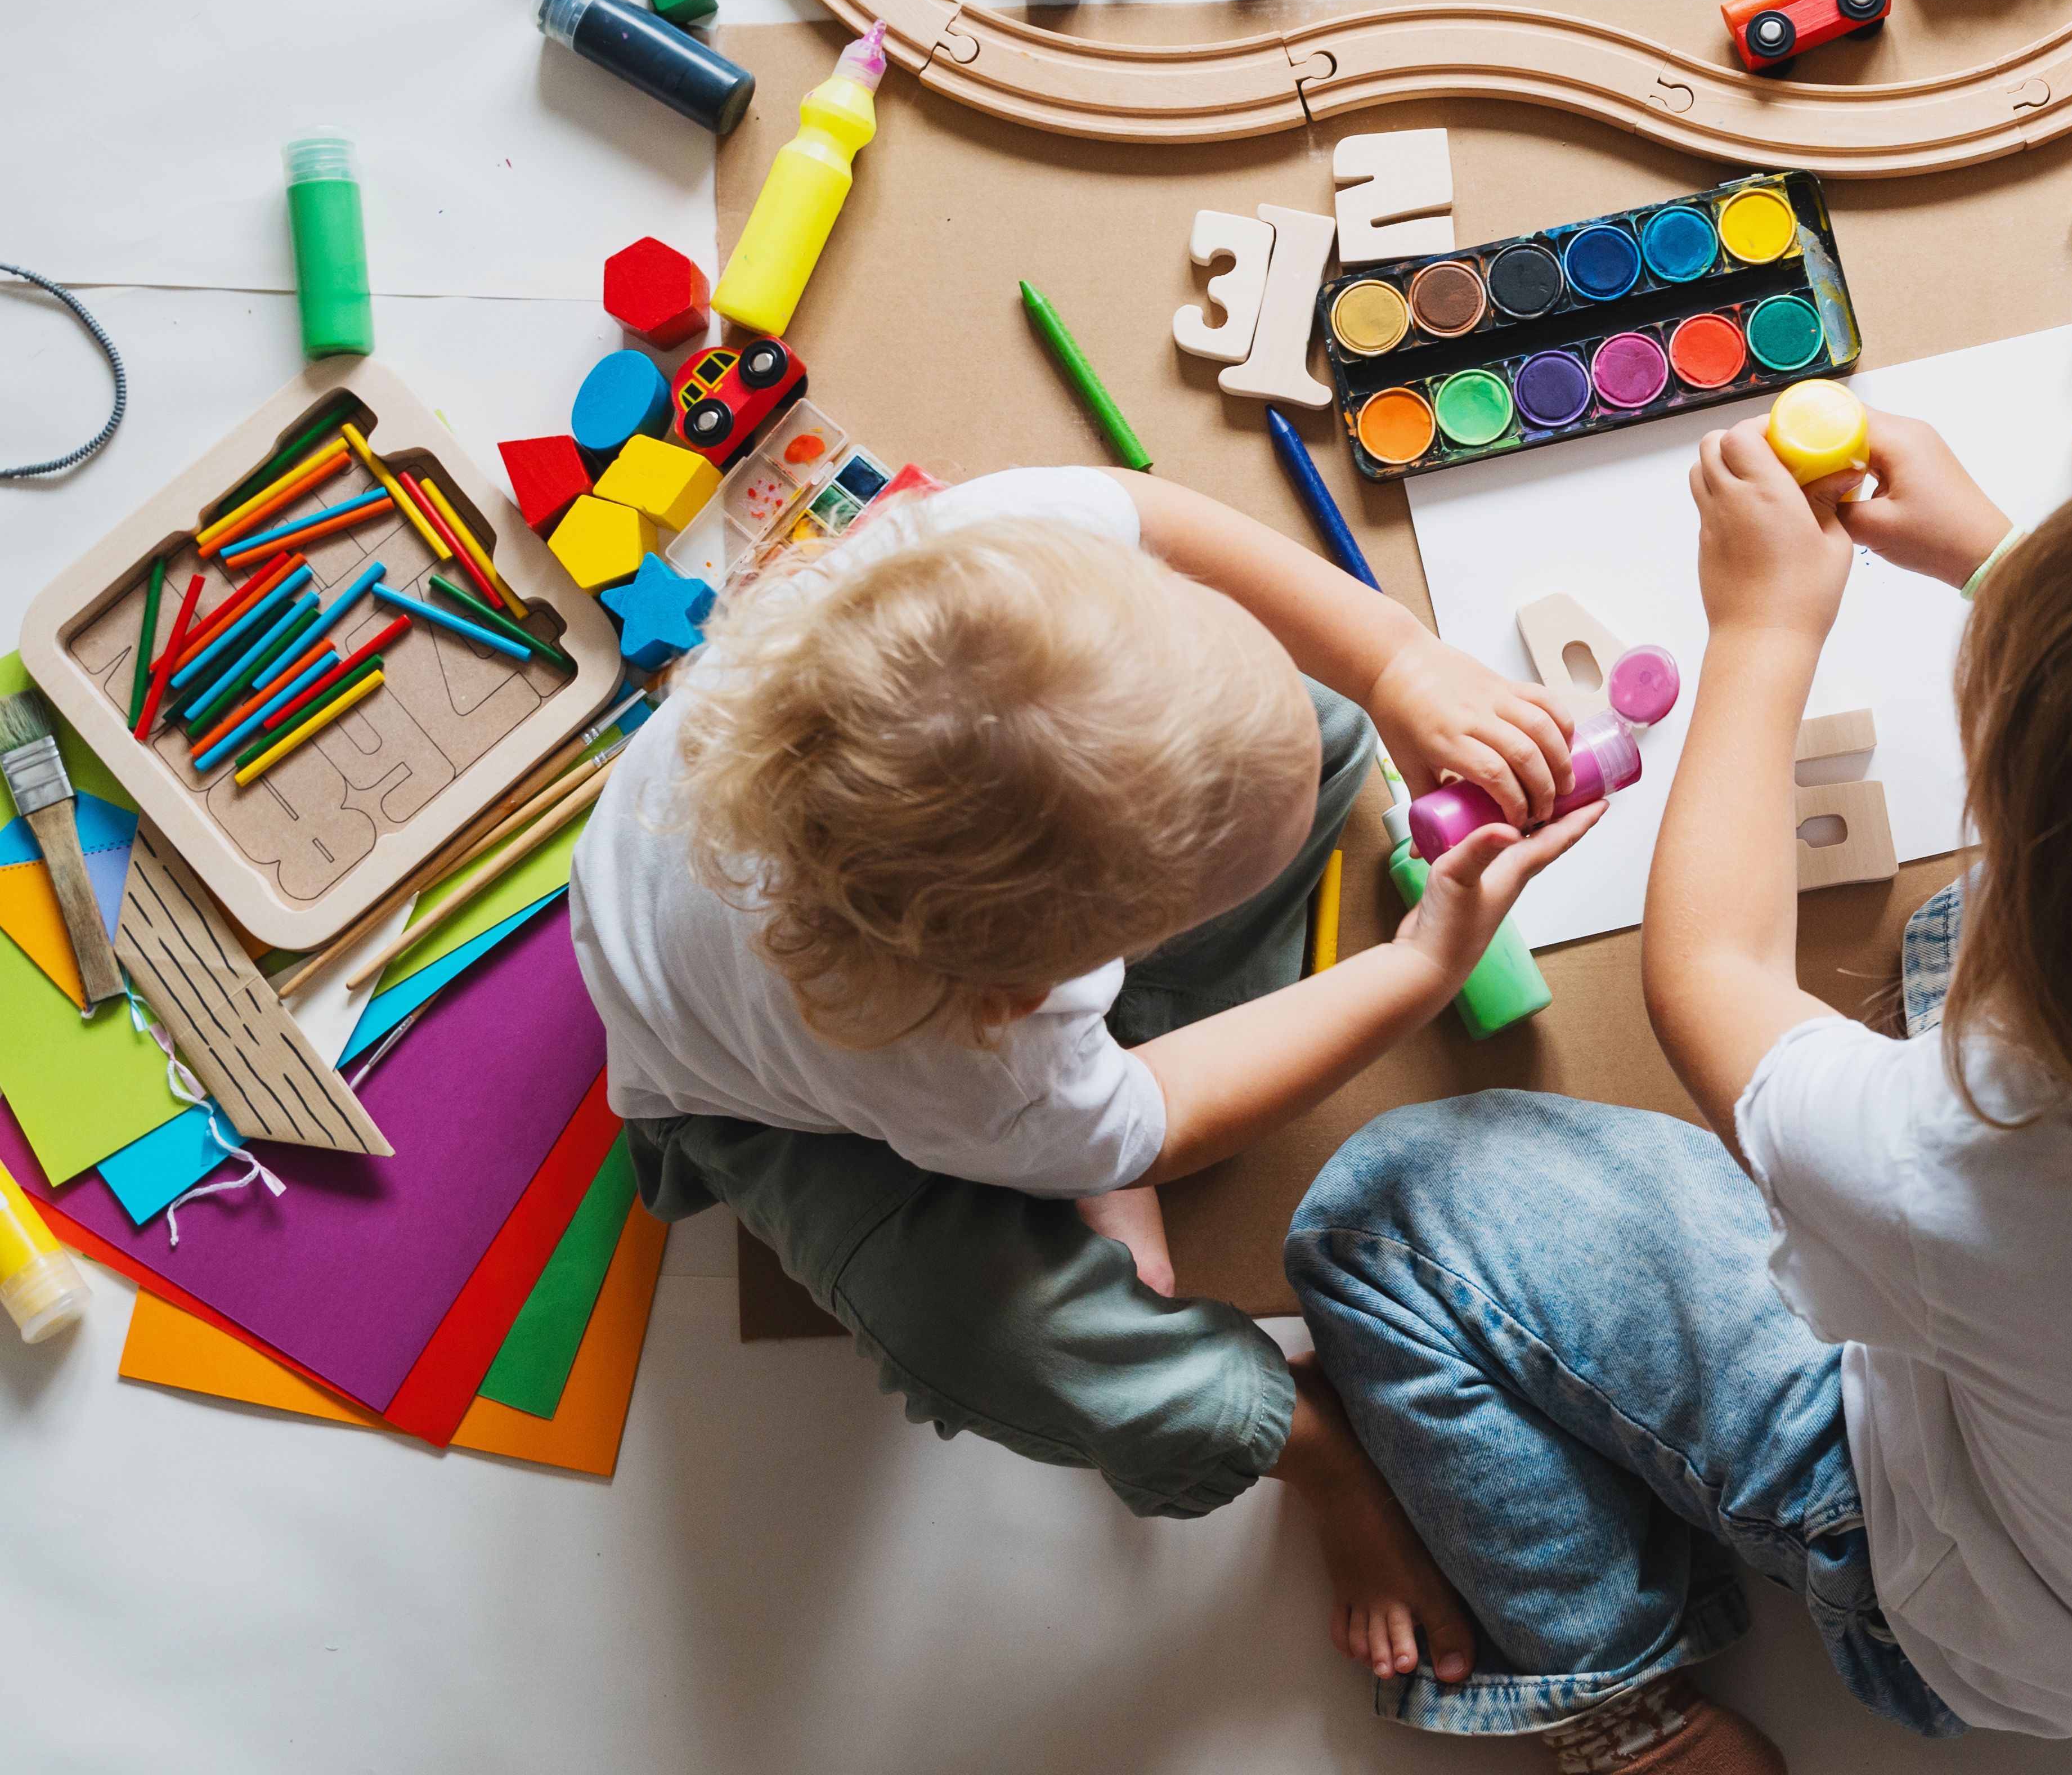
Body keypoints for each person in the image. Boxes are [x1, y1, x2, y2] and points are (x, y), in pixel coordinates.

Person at [1289, 414, 2072, 1771]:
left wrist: (1763, 627)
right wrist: (2001, 559)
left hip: (1967, 1629)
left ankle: (1618, 1704)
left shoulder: (1956, 1166)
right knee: (1983, 917)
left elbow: (1710, 973)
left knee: (1382, 1216)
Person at [572, 464, 1591, 1679]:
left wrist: (1397, 662)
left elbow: (1144, 509)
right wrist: (1421, 965)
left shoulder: (958, 586)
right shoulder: (965, 1058)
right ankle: (1311, 1443)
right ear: (1033, 987)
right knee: (992, 1331)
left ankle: (1089, 1120)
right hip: (763, 1106)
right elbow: (1170, 1114)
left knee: (1316, 730)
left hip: (891, 924)